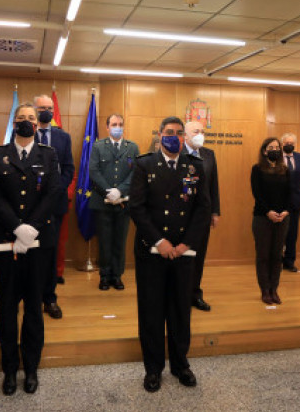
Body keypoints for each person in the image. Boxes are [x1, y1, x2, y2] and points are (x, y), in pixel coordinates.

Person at [129, 117, 210, 393]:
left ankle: (180, 364)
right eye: (168, 133)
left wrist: (186, 244)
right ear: (160, 135)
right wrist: (160, 241)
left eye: (178, 133)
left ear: (183, 138)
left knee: (179, 311)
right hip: (152, 250)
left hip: (183, 253)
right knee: (151, 311)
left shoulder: (195, 167)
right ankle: (153, 369)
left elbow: (202, 209)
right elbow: (137, 208)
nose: (173, 137)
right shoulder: (144, 164)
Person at [0, 103, 61, 395]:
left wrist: (32, 227)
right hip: (5, 240)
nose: (27, 122)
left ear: (38, 123)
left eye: (31, 118)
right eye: (21, 118)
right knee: (6, 307)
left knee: (33, 307)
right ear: (14, 123)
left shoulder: (49, 154)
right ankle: (8, 370)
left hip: (39, 242)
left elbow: (53, 191)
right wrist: (17, 227)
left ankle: (31, 369)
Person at [33, 94, 74, 320]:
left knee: (50, 252)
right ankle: (31, 298)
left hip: (55, 204)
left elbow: (69, 168)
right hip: (29, 206)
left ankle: (49, 299)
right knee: (31, 253)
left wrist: (57, 189)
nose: (46, 111)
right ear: (35, 110)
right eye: (41, 108)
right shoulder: (22, 134)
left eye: (49, 108)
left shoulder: (63, 137)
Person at [89, 113, 139, 291]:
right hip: (102, 201)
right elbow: (93, 171)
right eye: (114, 124)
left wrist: (120, 191)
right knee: (104, 241)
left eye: (120, 124)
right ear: (107, 127)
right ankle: (104, 276)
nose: (117, 127)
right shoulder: (98, 146)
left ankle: (117, 276)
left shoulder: (132, 147)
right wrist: (109, 191)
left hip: (124, 202)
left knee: (119, 240)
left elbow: (136, 173)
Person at [183, 119, 220, 311]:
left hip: (203, 215)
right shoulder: (176, 153)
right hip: (181, 215)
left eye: (202, 131)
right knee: (183, 257)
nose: (200, 134)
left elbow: (214, 185)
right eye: (196, 131)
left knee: (198, 257)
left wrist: (215, 211)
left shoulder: (209, 155)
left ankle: (195, 294)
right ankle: (179, 295)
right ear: (186, 135)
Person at [250, 138, 292, 305]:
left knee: (277, 255)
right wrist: (269, 212)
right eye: (271, 147)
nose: (275, 149)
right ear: (264, 151)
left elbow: (290, 193)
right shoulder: (257, 169)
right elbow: (257, 193)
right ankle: (265, 290)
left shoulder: (285, 170)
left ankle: (274, 289)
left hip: (283, 218)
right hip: (262, 217)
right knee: (263, 255)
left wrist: (286, 211)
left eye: (277, 147)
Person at [280, 132, 300, 272]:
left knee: (292, 233)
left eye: (291, 143)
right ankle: (277, 261)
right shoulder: (276, 157)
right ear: (281, 144)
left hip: (295, 200)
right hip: (279, 201)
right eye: (286, 143)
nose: (289, 145)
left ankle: (289, 262)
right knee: (279, 233)